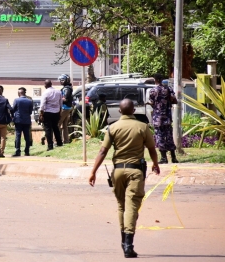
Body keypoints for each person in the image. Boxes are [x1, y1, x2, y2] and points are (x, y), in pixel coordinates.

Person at [88, 99, 160, 258]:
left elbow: (102, 151)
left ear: (120, 112)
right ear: (134, 110)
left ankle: (123, 241)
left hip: (118, 171)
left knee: (121, 206)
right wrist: (155, 164)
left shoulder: (113, 127)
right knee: (132, 206)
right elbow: (152, 149)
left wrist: (93, 172)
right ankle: (128, 244)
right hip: (135, 172)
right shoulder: (142, 127)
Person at [148, 73, 178, 164]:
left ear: (155, 80)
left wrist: (151, 104)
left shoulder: (153, 90)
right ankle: (173, 158)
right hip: (167, 117)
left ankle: (163, 158)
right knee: (169, 136)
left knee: (159, 137)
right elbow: (174, 100)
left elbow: (152, 102)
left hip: (158, 118)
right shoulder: (168, 88)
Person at [39, 79, 63, 151]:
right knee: (56, 128)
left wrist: (41, 114)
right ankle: (59, 143)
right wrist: (60, 112)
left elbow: (42, 104)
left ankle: (50, 145)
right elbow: (60, 103)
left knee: (48, 129)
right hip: (56, 112)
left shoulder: (45, 93)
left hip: (47, 113)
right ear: (51, 84)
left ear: (45, 85)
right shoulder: (58, 92)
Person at [12, 87, 33, 157]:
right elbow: (30, 112)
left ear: (19, 93)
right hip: (26, 120)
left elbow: (13, 109)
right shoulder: (29, 101)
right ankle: (27, 151)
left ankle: (18, 151)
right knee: (27, 136)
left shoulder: (16, 100)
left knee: (18, 136)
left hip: (18, 120)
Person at [58, 74, 74, 144]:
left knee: (57, 125)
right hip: (68, 108)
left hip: (65, 108)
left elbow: (65, 99)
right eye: (60, 80)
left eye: (62, 80)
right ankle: (66, 141)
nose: (61, 81)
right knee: (65, 125)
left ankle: (57, 141)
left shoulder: (66, 88)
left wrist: (58, 99)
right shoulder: (67, 87)